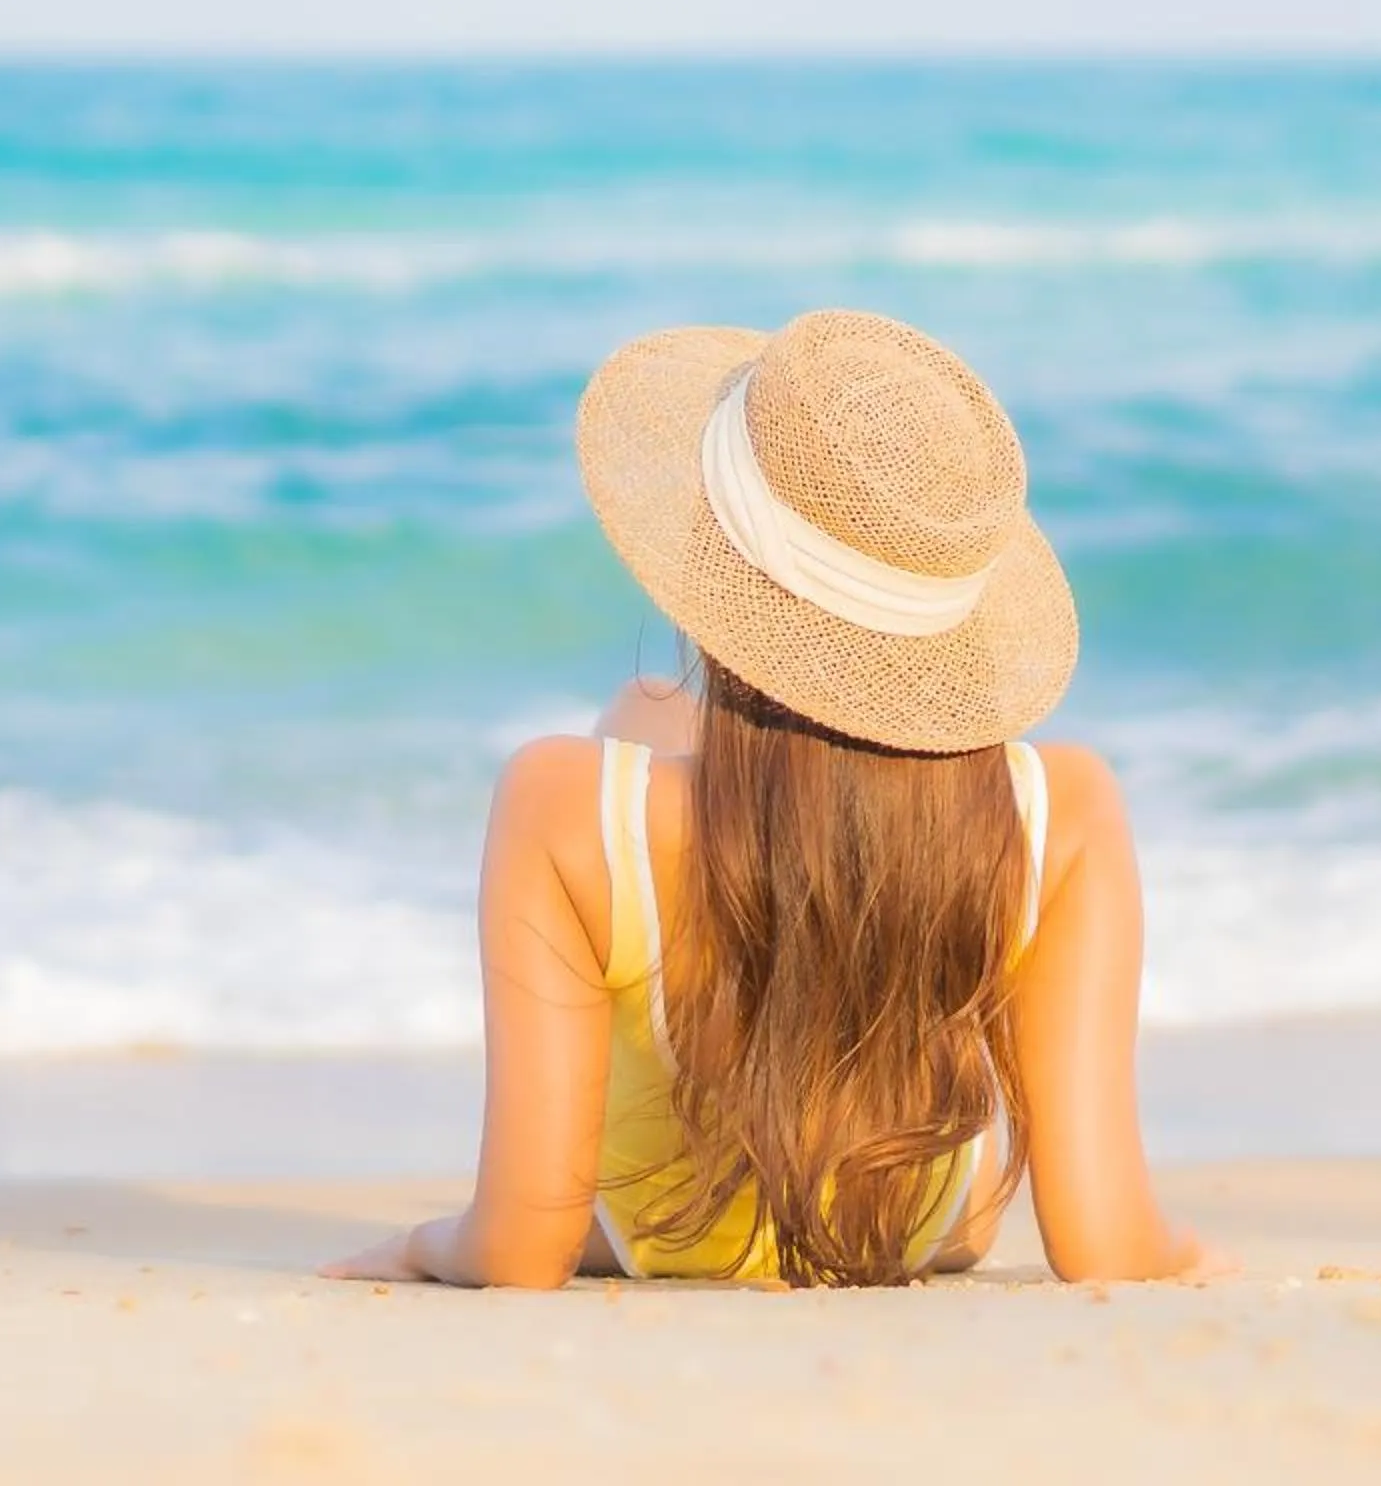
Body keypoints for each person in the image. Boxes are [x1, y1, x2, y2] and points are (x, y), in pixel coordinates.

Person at [322, 310, 1210, 1289]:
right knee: (657, 713)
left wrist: (420, 1242)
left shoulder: (557, 802)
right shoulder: (1065, 807)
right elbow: (1108, 1243)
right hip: (915, 1228)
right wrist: (1190, 1249)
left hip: (656, 1227)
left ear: (710, 559)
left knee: (639, 726)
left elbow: (520, 1249)